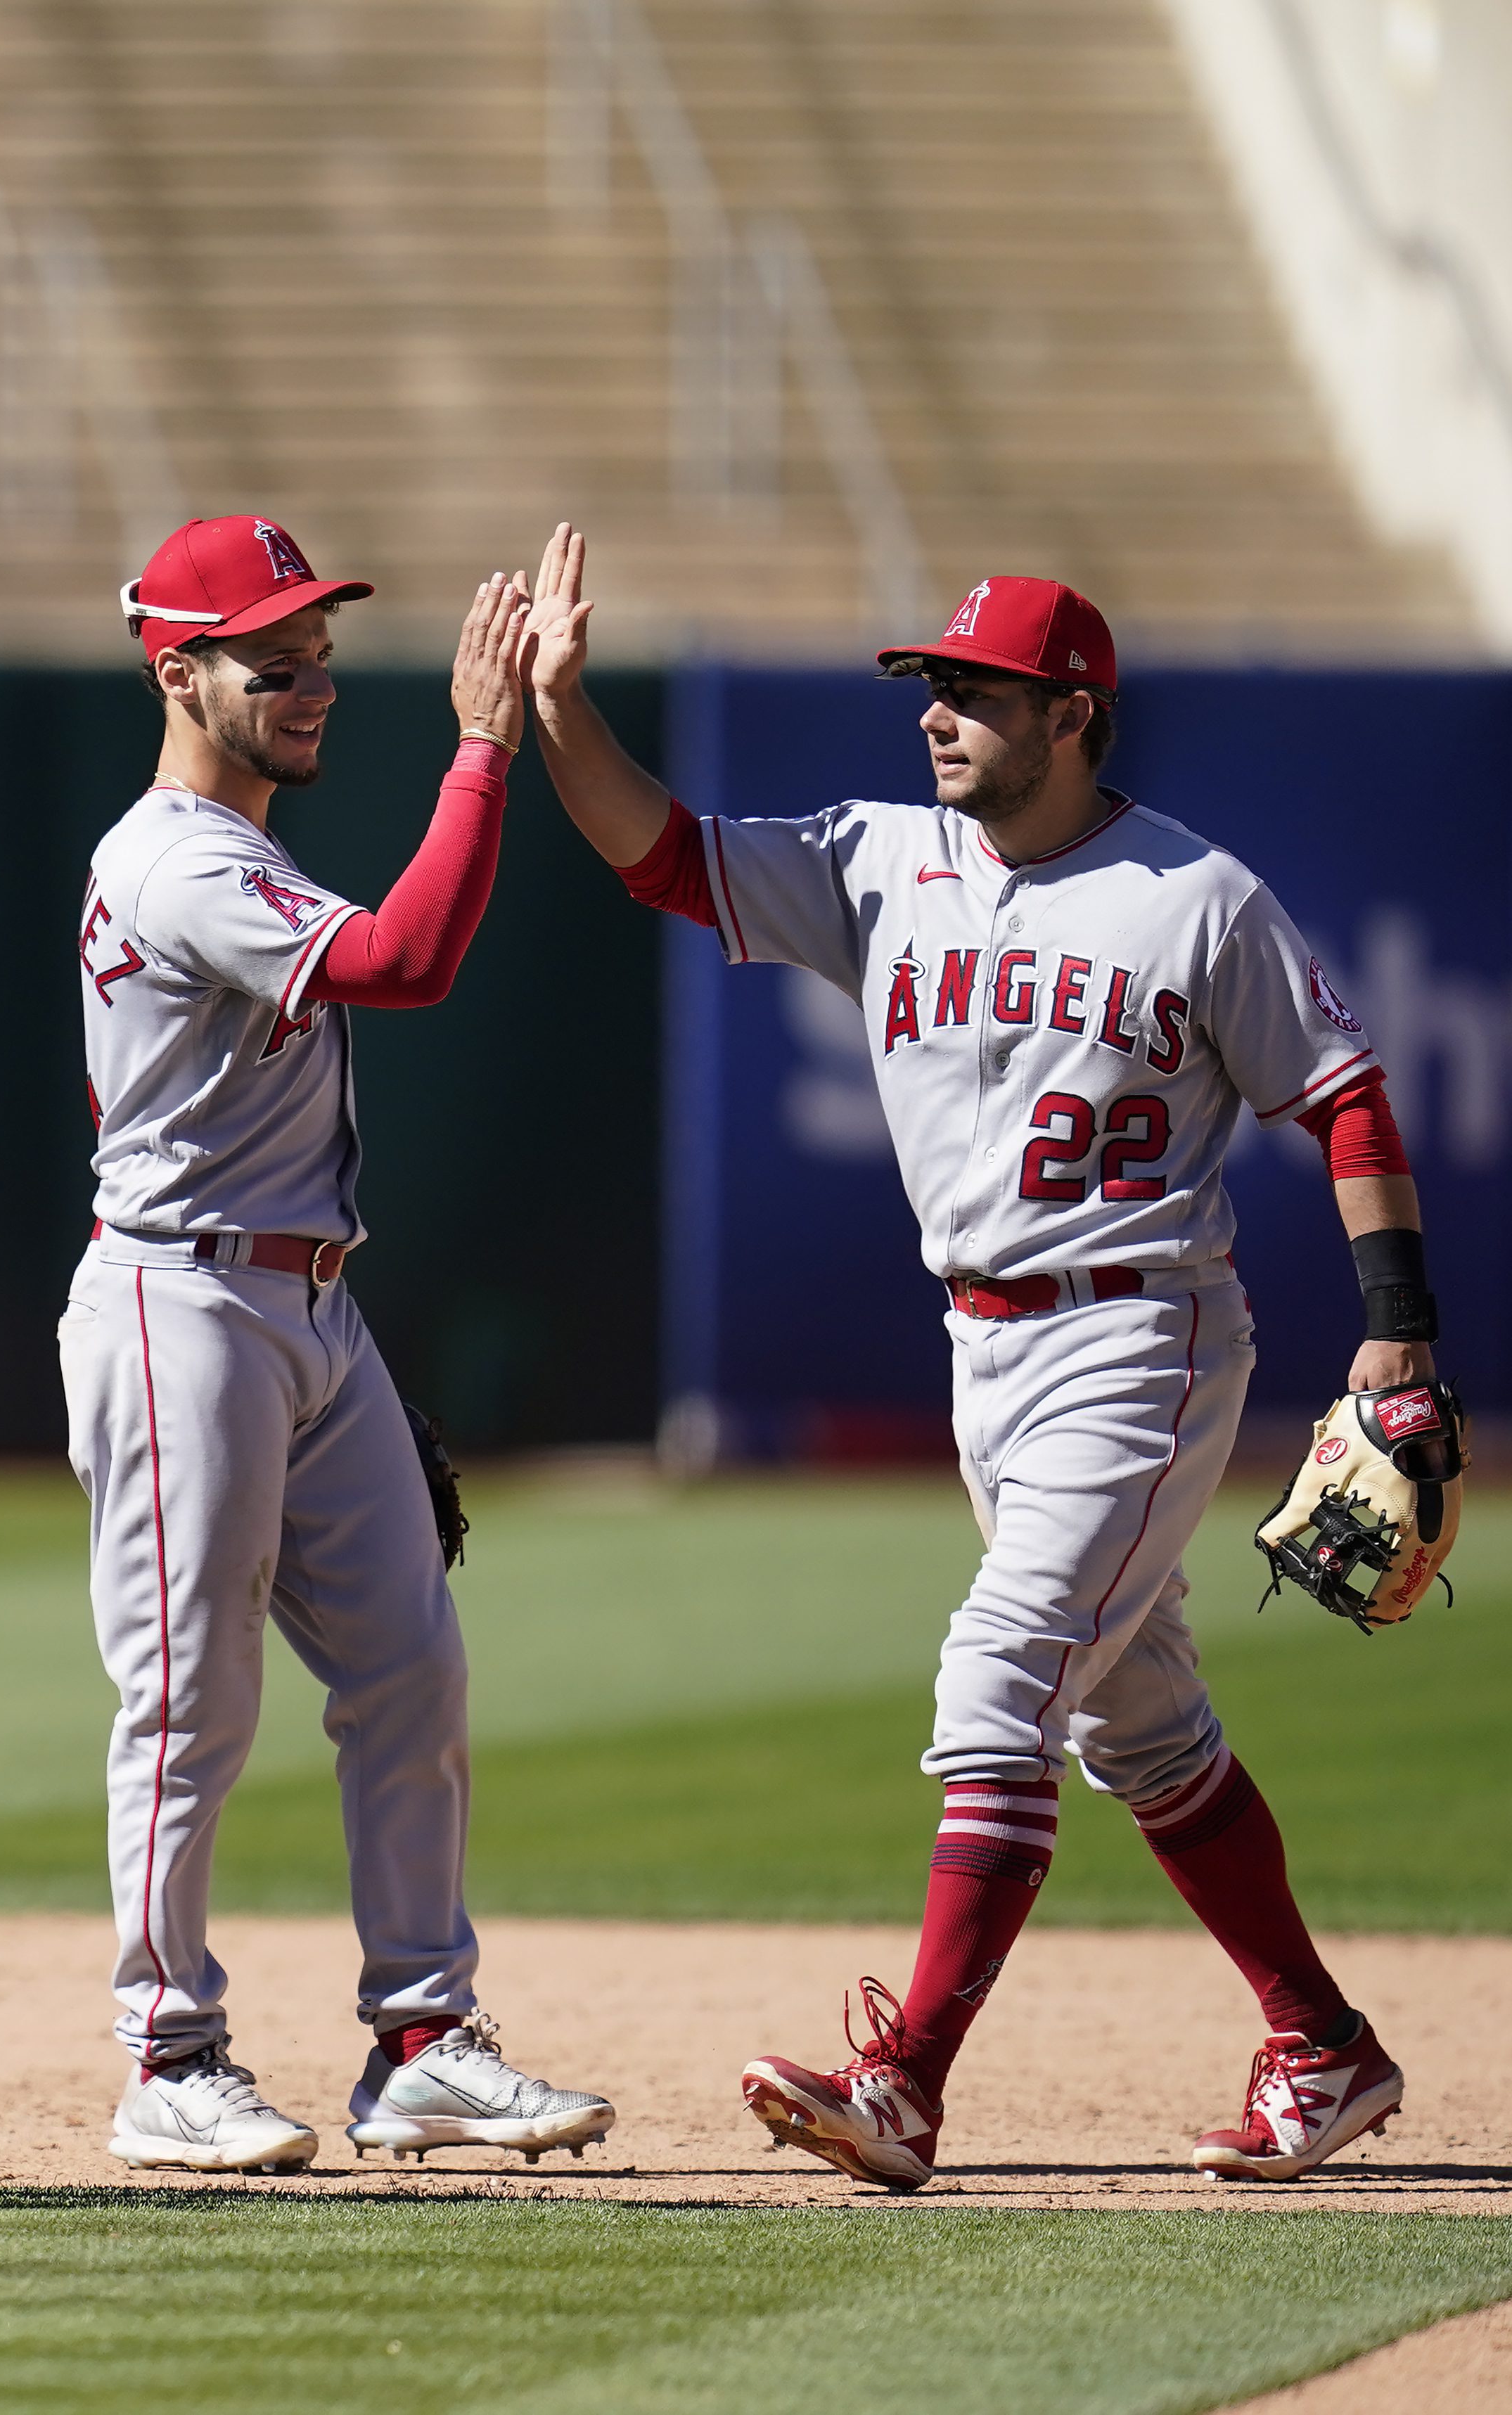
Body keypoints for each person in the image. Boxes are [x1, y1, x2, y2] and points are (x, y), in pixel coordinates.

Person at [525, 527, 1425, 2189]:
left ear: (1070, 713)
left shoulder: (1193, 896)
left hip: (1137, 1332)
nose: (934, 714)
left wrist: (1397, 1333)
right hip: (983, 1352)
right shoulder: (879, 859)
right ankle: (1323, 2042)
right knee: (1139, 1725)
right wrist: (559, 710)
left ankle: (903, 2083)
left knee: (997, 1670)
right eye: (927, 685)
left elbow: (1344, 1093)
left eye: (973, 691)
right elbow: (659, 858)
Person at [64, 516, 617, 2174]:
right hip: (184, 1300)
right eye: (268, 658)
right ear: (178, 670)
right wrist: (480, 746)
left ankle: (422, 2039)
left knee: (408, 1666)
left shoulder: (235, 847)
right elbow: (408, 960)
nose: (309, 683)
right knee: (187, 1695)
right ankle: (167, 2053)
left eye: (315, 653)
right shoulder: (172, 856)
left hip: (301, 1303)